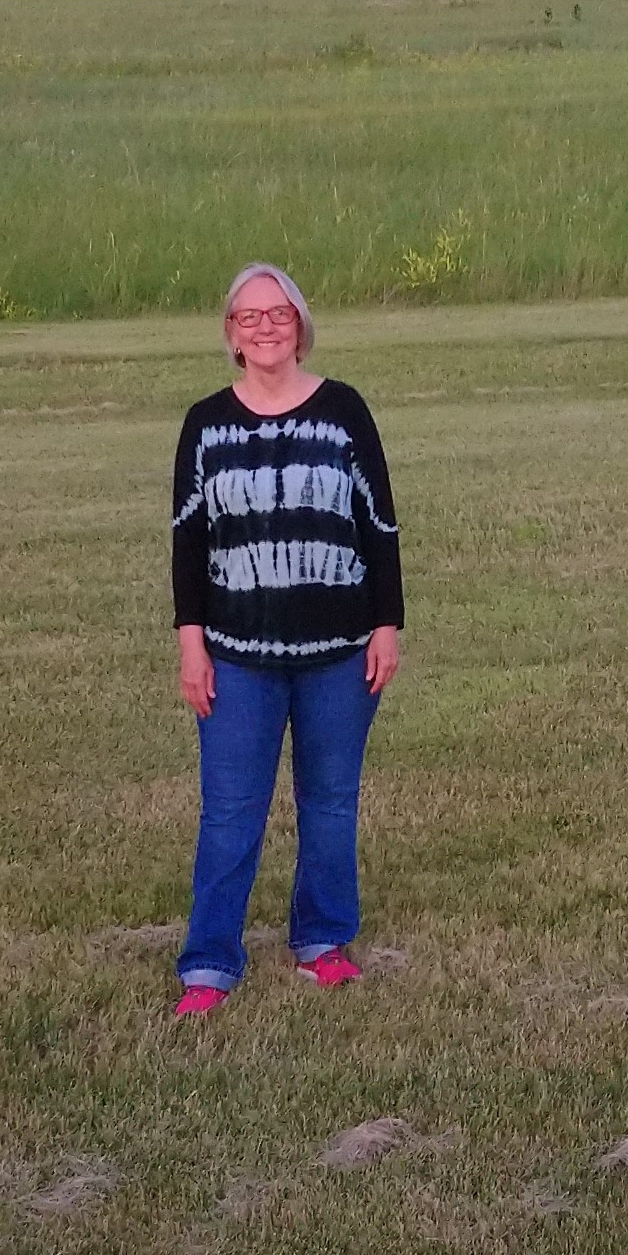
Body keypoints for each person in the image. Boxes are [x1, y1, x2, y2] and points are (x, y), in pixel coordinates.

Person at [169, 263, 404, 1016]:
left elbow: (381, 527)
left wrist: (386, 626)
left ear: (300, 326)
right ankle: (209, 964)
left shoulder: (343, 411)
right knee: (229, 808)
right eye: (248, 317)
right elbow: (185, 543)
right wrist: (191, 644)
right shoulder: (204, 423)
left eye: (278, 315)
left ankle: (321, 942)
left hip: (338, 651)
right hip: (237, 656)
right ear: (230, 335)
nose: (264, 327)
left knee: (330, 802)